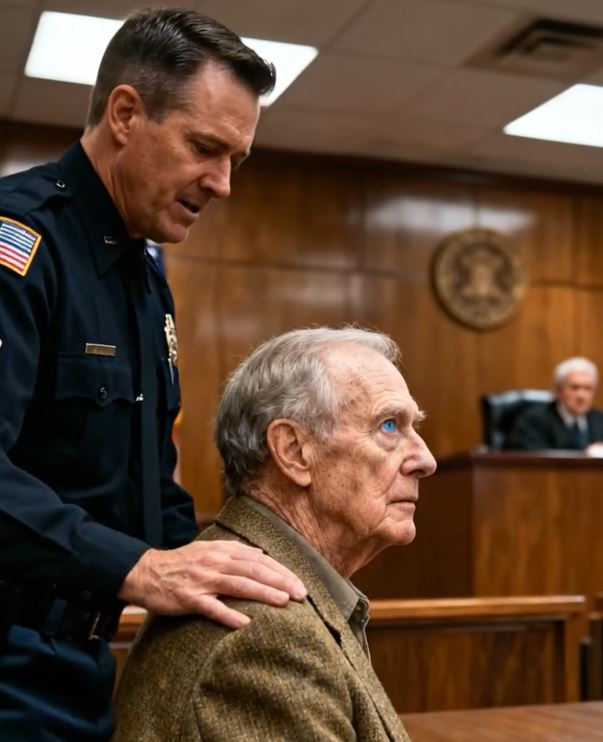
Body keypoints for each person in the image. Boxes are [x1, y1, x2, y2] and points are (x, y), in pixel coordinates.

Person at [0, 8, 306, 740]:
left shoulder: (143, 273)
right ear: (126, 114)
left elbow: (145, 480)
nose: (222, 183)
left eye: (236, 159)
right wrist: (140, 569)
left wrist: (234, 564)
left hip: (83, 658)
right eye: (205, 147)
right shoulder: (20, 245)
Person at [113, 326, 437, 741]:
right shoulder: (264, 631)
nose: (425, 459)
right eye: (389, 426)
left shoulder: (274, 587)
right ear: (294, 451)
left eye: (413, 427)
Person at [507, 356, 603, 451]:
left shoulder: (600, 420)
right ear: (558, 390)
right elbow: (534, 456)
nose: (581, 396)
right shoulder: (533, 421)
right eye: (574, 388)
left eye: (588, 388)